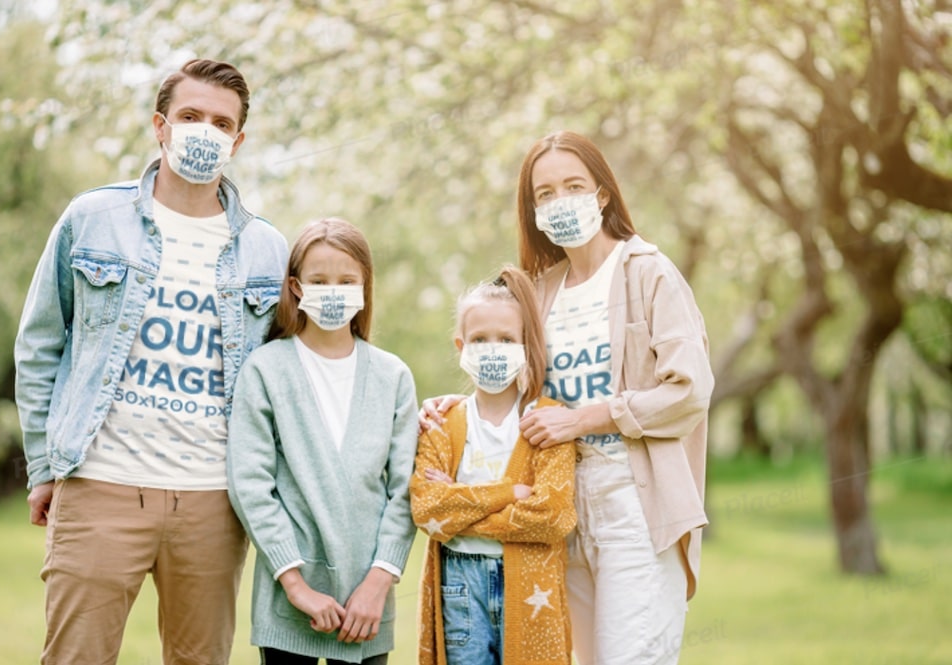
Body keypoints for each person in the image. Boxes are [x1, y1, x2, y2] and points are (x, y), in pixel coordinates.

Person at [14, 59, 289, 665]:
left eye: (221, 123)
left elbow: (286, 378)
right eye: (191, 117)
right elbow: (39, 345)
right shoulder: (92, 219)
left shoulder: (268, 249)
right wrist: (43, 463)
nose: (205, 132)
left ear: (238, 142)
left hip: (213, 499)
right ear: (160, 126)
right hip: (100, 483)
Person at [422, 130, 714, 664]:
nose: (560, 202)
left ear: (602, 194)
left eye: (573, 186)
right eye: (546, 193)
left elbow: (688, 392)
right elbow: (507, 373)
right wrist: (453, 406)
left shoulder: (649, 273)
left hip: (636, 506)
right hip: (559, 511)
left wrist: (585, 419)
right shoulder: (540, 291)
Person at [226, 217, 419, 665]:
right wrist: (295, 584)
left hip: (366, 609)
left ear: (365, 285)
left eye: (346, 280)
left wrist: (378, 583)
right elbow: (251, 484)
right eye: (319, 280)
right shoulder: (265, 370)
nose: (333, 291)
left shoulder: (393, 376)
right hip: (289, 604)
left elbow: (405, 488)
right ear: (296, 287)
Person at [411, 265, 577, 665]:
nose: (492, 348)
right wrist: (508, 493)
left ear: (526, 345)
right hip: (460, 583)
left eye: (505, 339)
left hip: (530, 583)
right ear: (460, 346)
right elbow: (427, 508)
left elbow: (552, 517)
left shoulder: (549, 422)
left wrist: (459, 508)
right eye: (480, 339)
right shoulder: (441, 424)